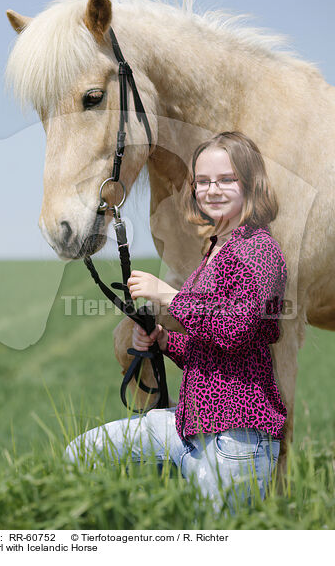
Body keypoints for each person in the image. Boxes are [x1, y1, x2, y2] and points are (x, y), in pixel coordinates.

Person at [65, 131, 287, 513]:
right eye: (202, 181)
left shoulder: (259, 249)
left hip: (236, 441)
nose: (211, 190)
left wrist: (168, 296)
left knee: (215, 542)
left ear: (251, 184)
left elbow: (234, 330)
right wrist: (165, 341)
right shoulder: (218, 245)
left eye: (226, 179)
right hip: (189, 428)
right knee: (81, 452)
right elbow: (214, 350)